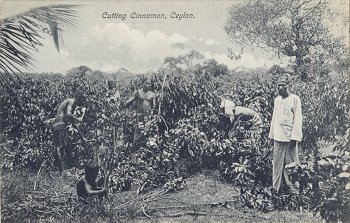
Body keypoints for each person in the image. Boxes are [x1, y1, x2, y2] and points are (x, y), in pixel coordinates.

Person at [269, 74, 302, 193]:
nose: (280, 88)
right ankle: (276, 188)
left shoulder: (295, 99)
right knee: (277, 164)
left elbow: (298, 119)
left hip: (289, 137)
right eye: (278, 86)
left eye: (282, 86)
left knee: (292, 164)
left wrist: (295, 138)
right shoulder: (277, 100)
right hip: (278, 136)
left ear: (288, 86)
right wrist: (271, 136)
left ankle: (293, 190)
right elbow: (274, 119)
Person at [51, 91, 86, 174]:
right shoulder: (71, 101)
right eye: (82, 100)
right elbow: (68, 114)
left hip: (63, 125)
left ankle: (68, 167)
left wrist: (82, 137)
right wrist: (78, 119)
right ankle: (60, 170)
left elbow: (72, 123)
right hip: (59, 124)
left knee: (68, 146)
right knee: (59, 147)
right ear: (78, 98)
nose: (81, 103)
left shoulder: (73, 104)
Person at [124, 78, 156, 148]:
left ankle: (146, 150)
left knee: (148, 133)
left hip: (148, 116)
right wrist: (123, 106)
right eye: (146, 83)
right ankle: (135, 148)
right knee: (138, 133)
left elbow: (154, 107)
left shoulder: (152, 94)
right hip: (139, 116)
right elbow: (129, 101)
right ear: (143, 83)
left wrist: (153, 117)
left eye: (149, 84)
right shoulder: (138, 92)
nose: (148, 85)